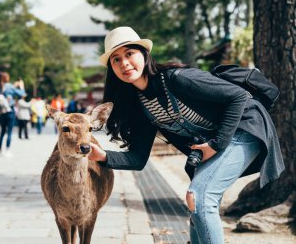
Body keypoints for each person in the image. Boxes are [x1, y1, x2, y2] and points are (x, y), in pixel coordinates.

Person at [88, 26, 284, 244]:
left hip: (246, 127)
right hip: (218, 143)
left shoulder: (177, 79)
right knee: (196, 204)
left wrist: (217, 144)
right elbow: (138, 158)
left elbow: (238, 97)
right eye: (116, 59)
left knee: (200, 197)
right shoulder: (141, 105)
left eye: (129, 53)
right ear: (111, 68)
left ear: (144, 54)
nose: (124, 62)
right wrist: (103, 156)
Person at [0, 71, 25, 157]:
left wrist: (14, 85)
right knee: (9, 132)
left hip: (1, 112)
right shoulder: (9, 86)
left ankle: (0, 149)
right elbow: (21, 94)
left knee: (2, 131)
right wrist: (21, 86)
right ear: (6, 78)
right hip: (10, 111)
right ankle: (7, 150)